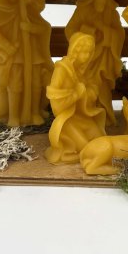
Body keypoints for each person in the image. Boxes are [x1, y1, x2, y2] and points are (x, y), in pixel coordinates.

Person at [0, 0, 53, 126]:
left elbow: (44, 27)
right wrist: (8, 46)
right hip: (13, 55)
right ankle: (14, 116)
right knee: (15, 84)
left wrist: (31, 28)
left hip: (33, 54)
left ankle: (34, 112)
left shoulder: (26, 7)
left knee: (36, 83)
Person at [64, 0, 125, 124]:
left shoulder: (112, 14)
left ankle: (104, 115)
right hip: (85, 58)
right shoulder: (83, 10)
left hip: (103, 58)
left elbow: (119, 34)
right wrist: (84, 35)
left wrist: (103, 29)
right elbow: (70, 29)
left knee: (101, 85)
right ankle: (84, 114)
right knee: (84, 84)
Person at [46, 33, 107, 164]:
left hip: (82, 116)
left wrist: (89, 92)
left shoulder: (83, 71)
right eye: (84, 52)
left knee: (101, 140)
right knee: (87, 148)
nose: (87, 56)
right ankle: (71, 153)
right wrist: (77, 94)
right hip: (67, 120)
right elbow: (56, 103)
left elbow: (92, 89)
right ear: (75, 51)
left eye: (89, 52)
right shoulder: (62, 70)